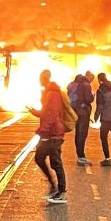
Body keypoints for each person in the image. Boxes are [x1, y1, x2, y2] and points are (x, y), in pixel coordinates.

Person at [28, 69, 74, 204]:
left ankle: (61, 192)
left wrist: (43, 131)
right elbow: (45, 112)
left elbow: (51, 115)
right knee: (39, 158)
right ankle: (54, 186)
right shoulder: (48, 92)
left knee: (56, 162)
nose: (39, 81)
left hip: (53, 134)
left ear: (45, 78)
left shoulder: (53, 93)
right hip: (50, 133)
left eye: (40, 78)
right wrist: (34, 111)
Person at [93, 72, 111, 167]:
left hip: (105, 118)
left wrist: (96, 116)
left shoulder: (100, 91)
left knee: (104, 138)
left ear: (99, 80)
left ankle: (107, 159)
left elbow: (100, 106)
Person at [67, 72, 94, 166]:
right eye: (92, 79)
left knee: (78, 134)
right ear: (89, 77)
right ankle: (81, 157)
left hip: (75, 112)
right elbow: (88, 99)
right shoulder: (86, 85)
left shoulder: (73, 84)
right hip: (83, 113)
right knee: (82, 134)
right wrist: (92, 96)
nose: (91, 81)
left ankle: (79, 155)